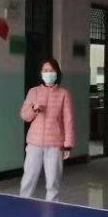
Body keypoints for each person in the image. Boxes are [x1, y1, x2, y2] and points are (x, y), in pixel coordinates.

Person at [19, 58, 74, 202]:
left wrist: (68, 144)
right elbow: (25, 116)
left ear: (57, 73)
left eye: (51, 70)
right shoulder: (33, 92)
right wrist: (34, 109)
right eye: (45, 70)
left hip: (55, 145)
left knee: (53, 184)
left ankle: (52, 209)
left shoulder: (64, 94)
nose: (48, 73)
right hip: (34, 144)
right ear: (41, 73)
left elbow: (68, 120)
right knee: (28, 180)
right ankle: (22, 206)